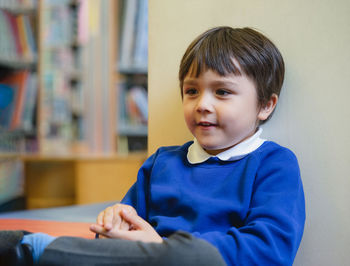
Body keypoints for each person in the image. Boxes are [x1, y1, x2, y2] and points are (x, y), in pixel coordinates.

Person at [0, 26, 305, 266]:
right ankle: (23, 247)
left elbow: (271, 251)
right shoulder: (162, 162)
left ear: (265, 105)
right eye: (192, 91)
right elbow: (123, 230)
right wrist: (114, 222)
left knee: (194, 256)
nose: (202, 104)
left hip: (202, 261)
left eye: (222, 91)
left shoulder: (274, 163)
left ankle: (35, 250)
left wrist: (160, 246)